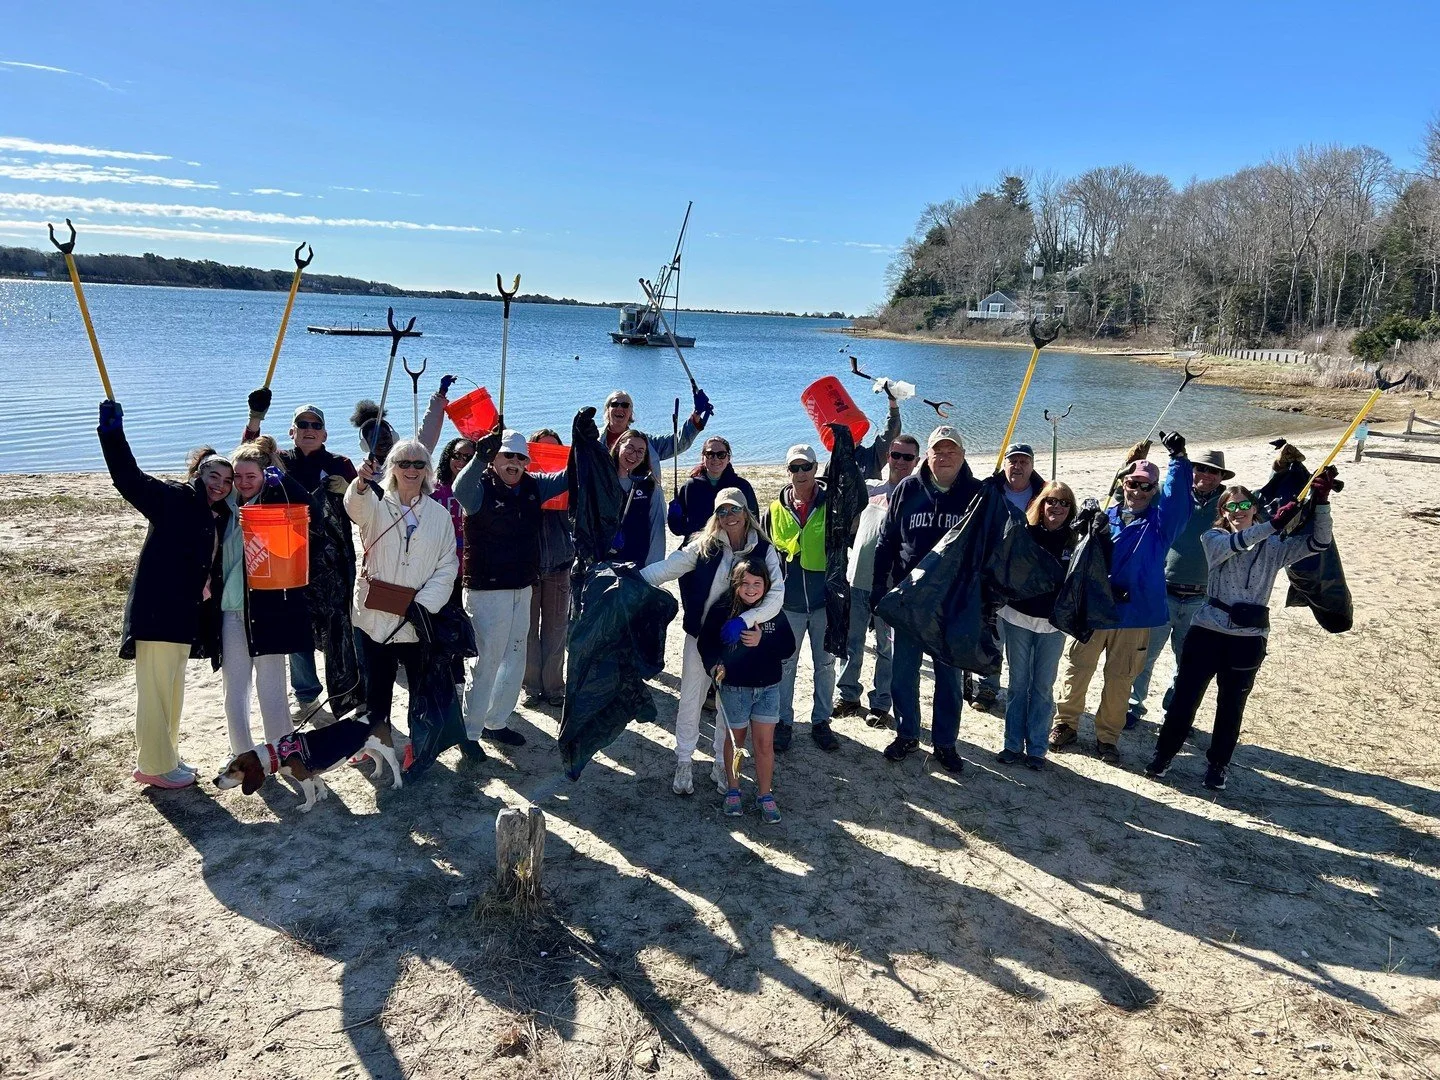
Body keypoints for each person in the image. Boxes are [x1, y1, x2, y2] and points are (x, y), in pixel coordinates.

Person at [1147, 470, 1337, 789]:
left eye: (1244, 505)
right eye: (1230, 507)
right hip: (1207, 634)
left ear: (1254, 508)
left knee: (1232, 707)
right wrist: (1274, 524)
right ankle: (1164, 755)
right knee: (1185, 700)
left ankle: (1218, 765)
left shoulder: (1275, 546)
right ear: (1223, 513)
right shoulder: (1214, 539)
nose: (1238, 512)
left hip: (1248, 640)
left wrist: (1321, 504)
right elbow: (1241, 542)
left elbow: (1319, 542)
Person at [98, 400, 233, 789]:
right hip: (158, 612)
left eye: (226, 480)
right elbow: (127, 476)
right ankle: (154, 766)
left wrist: (255, 419)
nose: (220, 484)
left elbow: (246, 464)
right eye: (213, 475)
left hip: (182, 615)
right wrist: (111, 433)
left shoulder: (216, 513)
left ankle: (165, 757)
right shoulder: (173, 499)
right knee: (155, 693)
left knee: (172, 691)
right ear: (197, 473)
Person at [1049, 433, 1193, 764]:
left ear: (1154, 490)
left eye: (1146, 487)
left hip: (1135, 615)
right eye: (1133, 484)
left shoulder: (1160, 525)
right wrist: (1084, 520)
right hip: (1094, 610)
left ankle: (1107, 737)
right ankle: (1066, 724)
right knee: (1077, 667)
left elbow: (1178, 499)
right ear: (1124, 484)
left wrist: (1179, 459)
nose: (1138, 491)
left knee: (1120, 678)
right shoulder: (1105, 517)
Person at [640, 488, 784, 795]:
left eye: (734, 510)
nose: (728, 517)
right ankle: (683, 763)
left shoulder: (764, 550)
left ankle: (721, 763)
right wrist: (632, 579)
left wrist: (746, 620)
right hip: (699, 639)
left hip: (737, 644)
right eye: (722, 511)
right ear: (715, 516)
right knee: (691, 699)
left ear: (747, 513)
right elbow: (668, 568)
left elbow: (776, 596)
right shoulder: (702, 546)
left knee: (727, 705)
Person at [344, 440, 468, 762]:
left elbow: (448, 564)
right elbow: (355, 507)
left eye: (418, 464)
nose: (411, 469)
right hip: (376, 618)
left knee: (420, 689)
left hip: (418, 620)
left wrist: (424, 605)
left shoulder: (439, 515)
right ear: (392, 468)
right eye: (404, 463)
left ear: (427, 470)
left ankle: (418, 744)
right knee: (378, 689)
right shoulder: (374, 504)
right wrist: (360, 483)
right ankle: (374, 745)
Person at [241, 391, 361, 717]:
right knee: (298, 631)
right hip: (288, 559)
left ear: (325, 433)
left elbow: (370, 506)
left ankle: (346, 696)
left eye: (316, 425)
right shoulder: (278, 462)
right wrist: (255, 417)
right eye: (302, 424)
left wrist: (351, 490)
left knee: (339, 629)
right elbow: (242, 460)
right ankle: (307, 696)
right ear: (292, 431)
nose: (309, 429)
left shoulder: (340, 464)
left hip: (335, 561)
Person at [871, 425, 981, 773]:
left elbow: (989, 549)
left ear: (962, 456)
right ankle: (907, 733)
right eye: (938, 450)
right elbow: (887, 541)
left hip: (953, 603)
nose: (944, 456)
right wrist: (879, 590)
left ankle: (945, 743)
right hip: (909, 600)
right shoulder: (907, 488)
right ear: (927, 455)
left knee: (949, 677)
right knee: (903, 672)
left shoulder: (976, 493)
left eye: (952, 451)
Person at [453, 428, 567, 747]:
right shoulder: (479, 488)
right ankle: (471, 732)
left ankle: (497, 720)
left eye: (520, 457)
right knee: (486, 660)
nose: (514, 463)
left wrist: (589, 442)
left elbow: (571, 475)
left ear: (527, 463)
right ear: (496, 458)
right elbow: (460, 488)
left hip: (522, 587)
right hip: (486, 591)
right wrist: (478, 457)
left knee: (515, 658)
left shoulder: (534, 487)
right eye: (507, 456)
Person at [1126, 447, 1233, 729]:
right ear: (1192, 469)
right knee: (1144, 656)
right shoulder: (1170, 494)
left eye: (1213, 471)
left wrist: (1282, 469)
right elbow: (1132, 491)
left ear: (1222, 476)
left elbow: (1263, 506)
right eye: (1201, 468)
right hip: (1162, 593)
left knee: (1187, 664)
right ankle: (1133, 707)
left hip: (1201, 598)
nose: (1206, 475)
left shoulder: (1227, 504)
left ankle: (1174, 712)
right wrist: (1134, 462)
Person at [219, 441, 315, 755]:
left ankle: (282, 749)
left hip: (269, 608)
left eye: (252, 476)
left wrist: (282, 479)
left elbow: (309, 506)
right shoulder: (225, 508)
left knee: (272, 684)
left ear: (264, 475)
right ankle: (241, 752)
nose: (244, 482)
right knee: (236, 686)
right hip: (233, 610)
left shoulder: (274, 504)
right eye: (238, 476)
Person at [698, 559, 797, 824]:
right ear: (735, 584)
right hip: (735, 689)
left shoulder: (773, 610)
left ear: (766, 586)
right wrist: (714, 665)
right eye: (745, 583)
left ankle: (765, 793)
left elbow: (789, 647)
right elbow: (707, 643)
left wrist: (762, 640)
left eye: (757, 583)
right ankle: (733, 789)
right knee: (735, 743)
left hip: (768, 689)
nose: (751, 589)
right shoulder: (722, 609)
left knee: (765, 745)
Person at [833, 432, 919, 728]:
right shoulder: (869, 488)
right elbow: (843, 498)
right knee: (852, 641)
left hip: (893, 587)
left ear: (917, 461)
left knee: (886, 647)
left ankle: (881, 703)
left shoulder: (919, 496)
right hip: (857, 579)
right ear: (888, 457)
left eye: (908, 457)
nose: (900, 461)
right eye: (895, 455)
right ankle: (848, 695)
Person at [995, 481, 1077, 770]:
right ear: (1040, 504)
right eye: (1051, 501)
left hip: (1053, 625)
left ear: (1071, 509)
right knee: (1018, 684)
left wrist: (1099, 534)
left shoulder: (1076, 541)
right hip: (1018, 618)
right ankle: (1012, 744)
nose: (1057, 507)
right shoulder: (1024, 534)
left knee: (1043, 686)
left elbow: (1097, 568)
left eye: (1064, 503)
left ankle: (1038, 748)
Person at [764, 444, 839, 753]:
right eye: (794, 468)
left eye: (805, 466)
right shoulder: (775, 508)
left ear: (816, 467)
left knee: (825, 664)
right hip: (789, 604)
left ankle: (822, 721)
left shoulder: (832, 502)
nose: (800, 473)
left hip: (824, 601)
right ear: (788, 471)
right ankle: (783, 722)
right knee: (785, 665)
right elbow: (765, 554)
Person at [523, 428, 575, 709]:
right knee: (528, 631)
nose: (547, 458)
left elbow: (577, 523)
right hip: (527, 569)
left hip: (558, 565)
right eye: (541, 451)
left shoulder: (568, 482)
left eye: (553, 451)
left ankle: (554, 686)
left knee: (556, 630)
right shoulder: (522, 483)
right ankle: (531, 686)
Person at [601, 388, 710, 477]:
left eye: (625, 405)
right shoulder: (591, 438)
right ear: (607, 410)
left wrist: (696, 414)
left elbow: (677, 444)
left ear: (631, 413)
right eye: (614, 404)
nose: (620, 408)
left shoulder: (645, 442)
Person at [667, 435, 758, 541]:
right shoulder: (690, 487)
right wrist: (673, 516)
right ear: (703, 457)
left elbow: (753, 521)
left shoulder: (742, 486)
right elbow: (678, 529)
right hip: (698, 547)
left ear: (728, 458)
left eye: (721, 454)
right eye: (710, 454)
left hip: (732, 547)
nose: (715, 458)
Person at [609, 429, 666, 567]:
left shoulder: (650, 485)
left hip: (638, 564)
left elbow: (657, 529)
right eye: (629, 448)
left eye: (640, 451)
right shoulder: (602, 482)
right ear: (618, 447)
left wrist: (653, 569)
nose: (634, 455)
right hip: (604, 564)